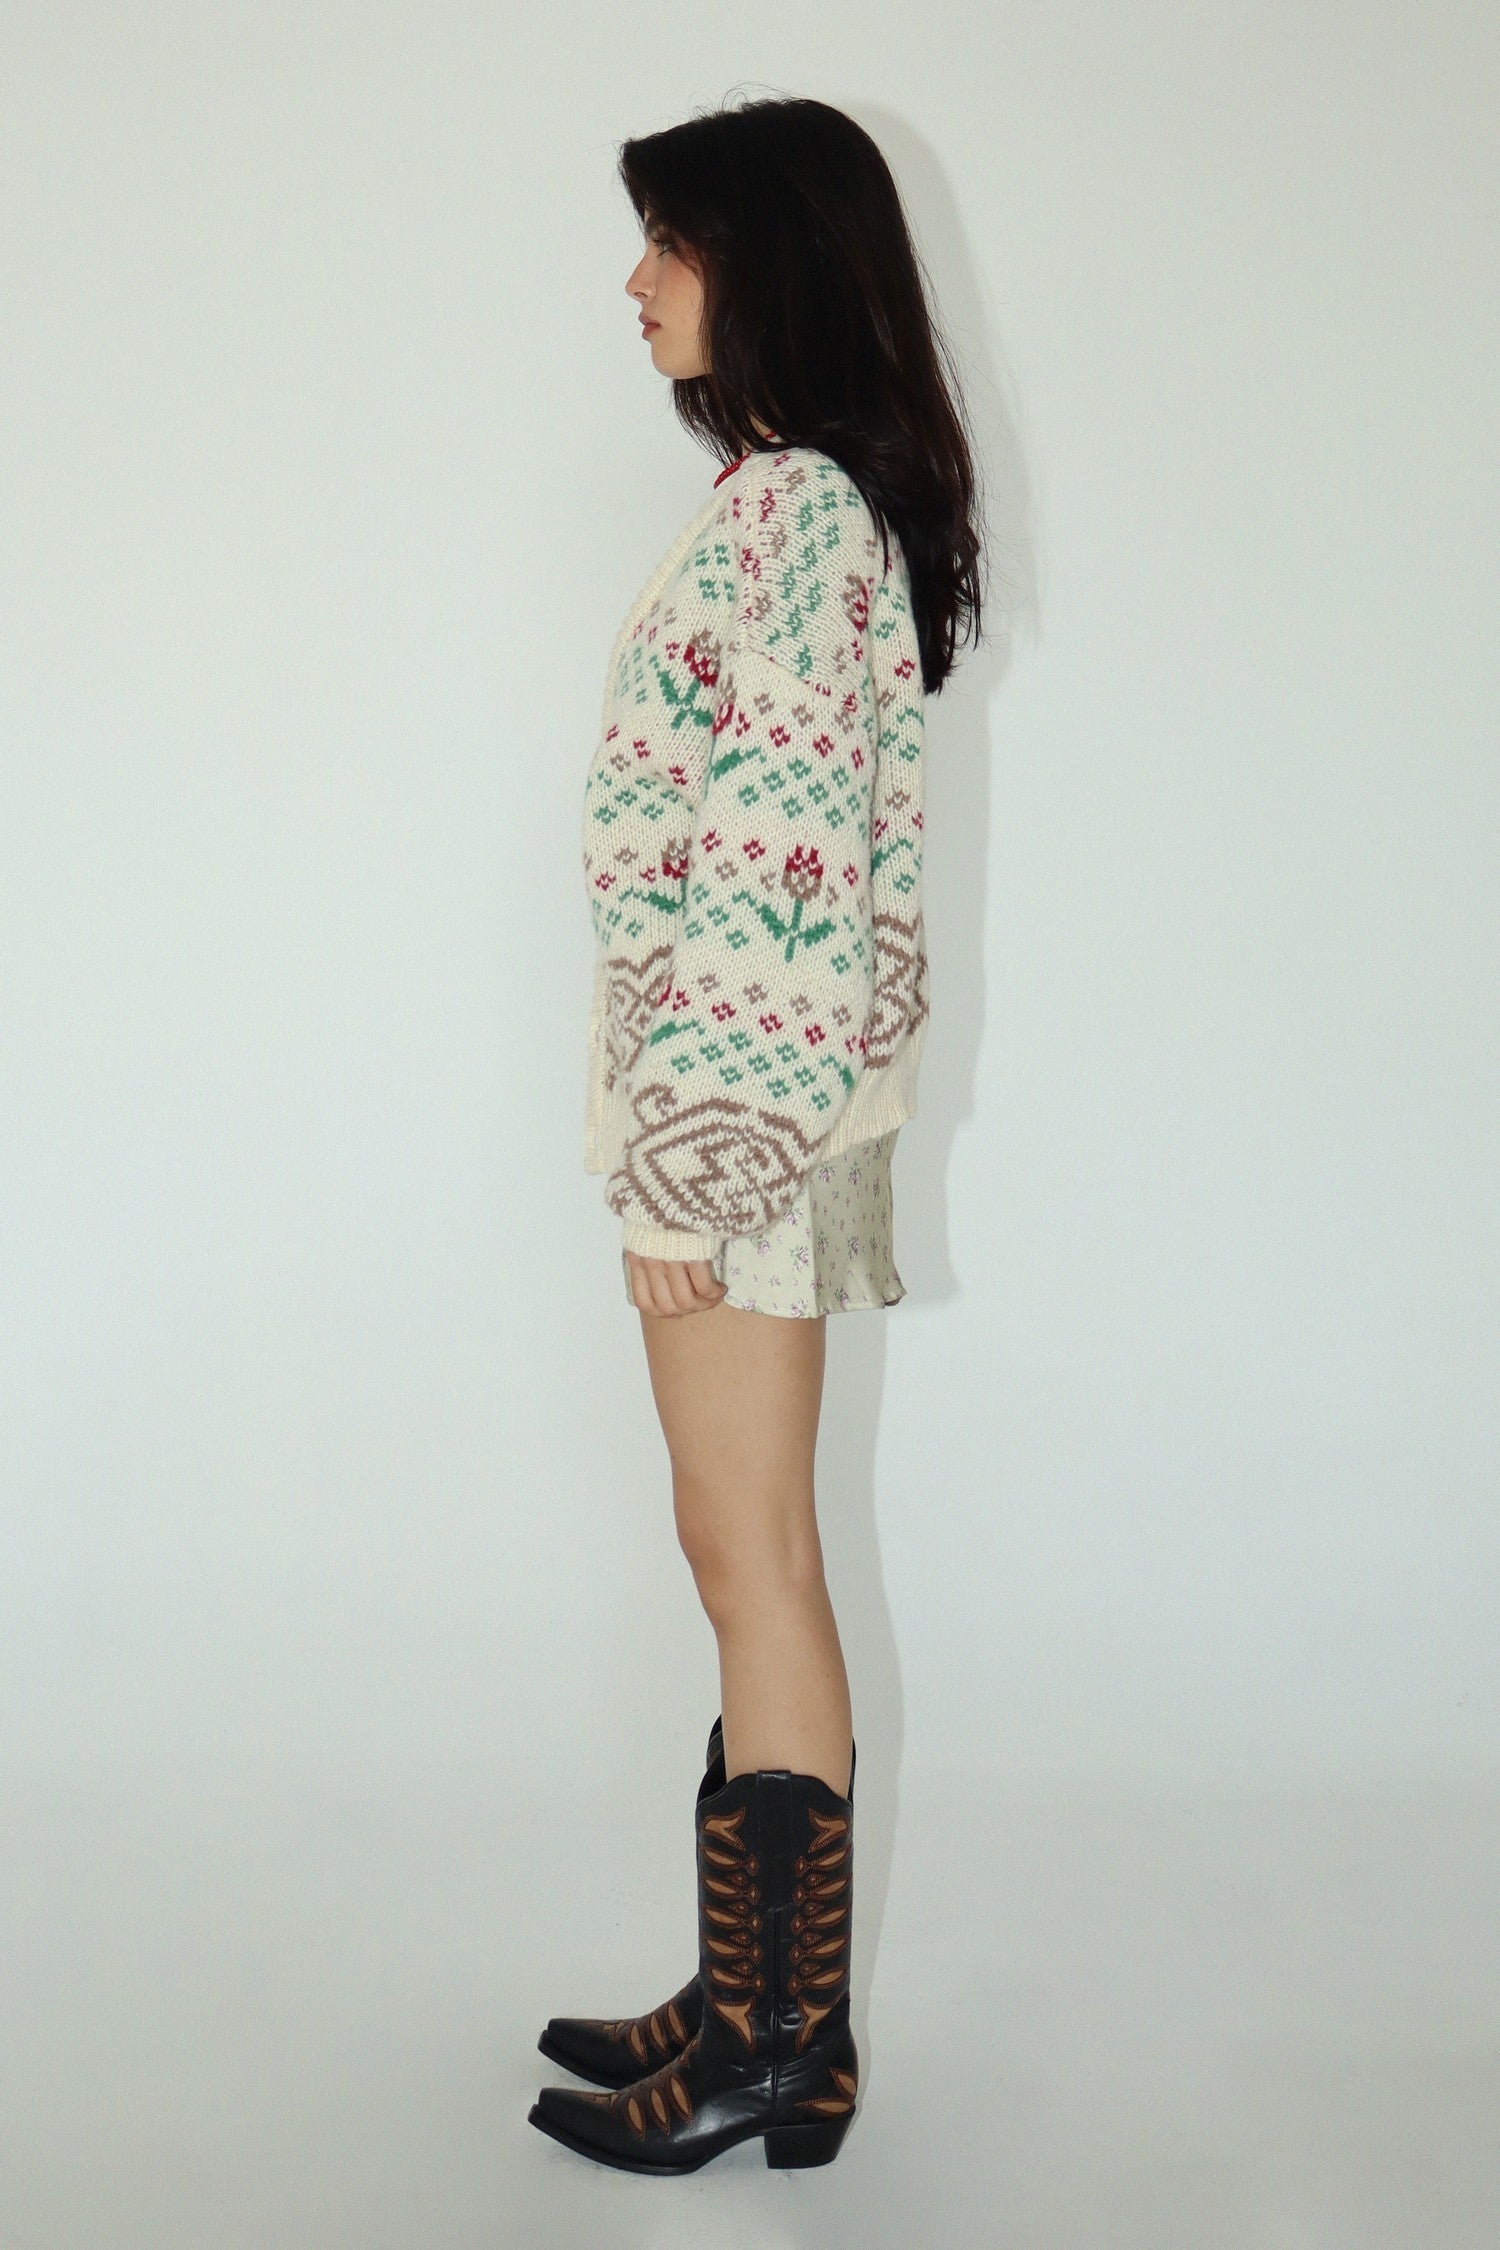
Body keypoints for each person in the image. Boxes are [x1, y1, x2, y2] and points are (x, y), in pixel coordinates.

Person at [529, 93, 984, 2175]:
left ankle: (778, 2047)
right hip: (764, 1117)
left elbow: (772, 874)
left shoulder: (796, 517)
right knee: (751, 1546)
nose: (636, 284)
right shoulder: (801, 509)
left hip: (745, 1131)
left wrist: (688, 1172)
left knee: (753, 1552)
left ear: (772, 263)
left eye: (672, 244)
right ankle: (754, 2003)